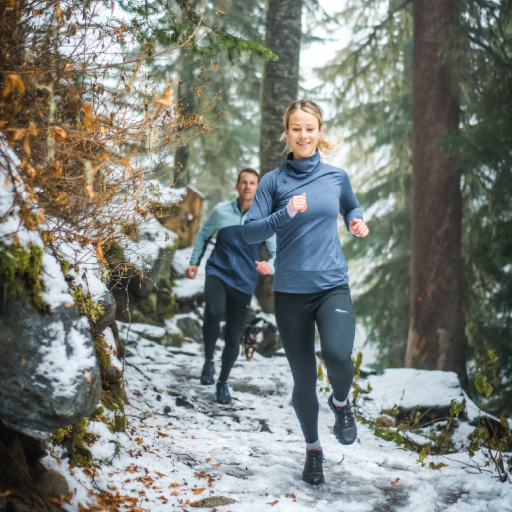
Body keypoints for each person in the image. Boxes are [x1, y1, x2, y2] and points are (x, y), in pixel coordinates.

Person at [242, 100, 369, 485]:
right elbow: (250, 231)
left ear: (320, 131)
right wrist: (285, 214)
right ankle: (313, 449)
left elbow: (350, 205)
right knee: (303, 380)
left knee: (337, 354)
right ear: (287, 133)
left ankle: (342, 404)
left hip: (332, 285)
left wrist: (355, 221)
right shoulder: (272, 182)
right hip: (291, 292)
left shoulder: (336, 177)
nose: (304, 135)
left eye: (310, 128)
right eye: (296, 128)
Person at [185, 168, 276, 405]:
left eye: (252, 183)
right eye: (243, 182)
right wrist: (194, 262)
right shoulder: (221, 211)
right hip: (218, 271)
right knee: (213, 311)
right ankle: (208, 362)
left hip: (245, 282)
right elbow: (203, 235)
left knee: (234, 335)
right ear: (237, 186)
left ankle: (222, 382)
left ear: (257, 188)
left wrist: (271, 265)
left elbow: (278, 252)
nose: (247, 186)